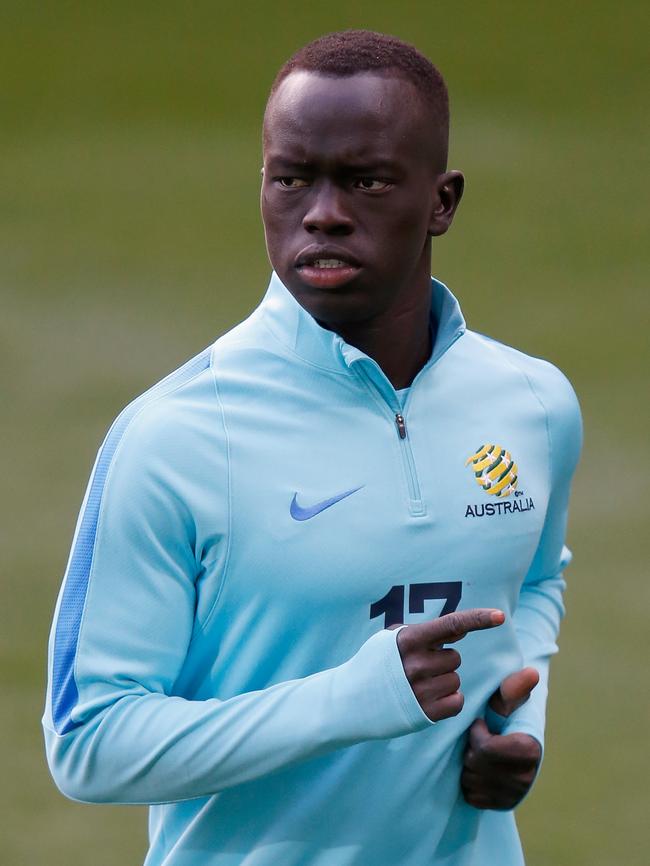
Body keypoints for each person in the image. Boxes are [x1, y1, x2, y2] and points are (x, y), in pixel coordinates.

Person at [43, 30, 582, 866]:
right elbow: (88, 742)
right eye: (292, 178)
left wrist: (514, 722)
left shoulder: (534, 405)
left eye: (364, 180)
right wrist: (347, 702)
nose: (323, 212)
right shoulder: (177, 437)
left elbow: (537, 579)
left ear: (442, 202)